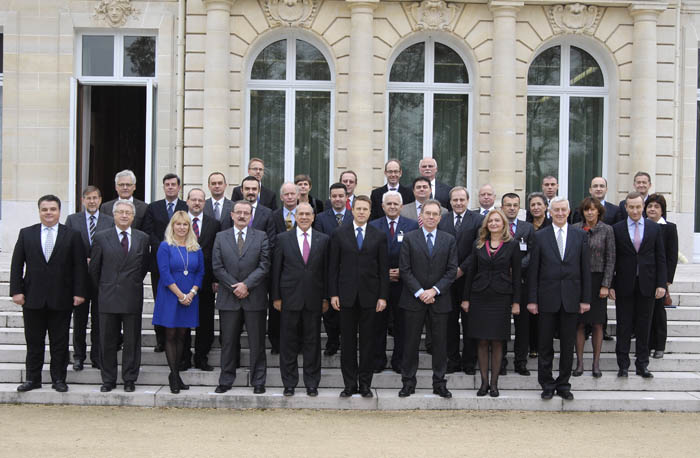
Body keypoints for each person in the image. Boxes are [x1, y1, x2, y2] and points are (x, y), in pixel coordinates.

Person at [11, 195, 88, 393]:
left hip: (61, 298)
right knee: (34, 342)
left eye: (52, 209)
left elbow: (79, 267)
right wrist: (16, 291)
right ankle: (33, 379)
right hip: (32, 298)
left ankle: (58, 379)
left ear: (59, 211)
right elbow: (17, 264)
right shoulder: (26, 234)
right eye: (45, 209)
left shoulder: (72, 235)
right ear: (39, 211)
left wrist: (79, 292)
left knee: (59, 343)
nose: (48, 213)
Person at [528, 196, 591, 401]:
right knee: (545, 345)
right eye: (556, 210)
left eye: (564, 210)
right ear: (550, 212)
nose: (560, 213)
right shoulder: (540, 236)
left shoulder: (580, 236)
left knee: (567, 345)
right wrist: (532, 299)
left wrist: (585, 299)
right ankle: (546, 384)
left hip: (572, 298)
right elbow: (533, 271)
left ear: (569, 211)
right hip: (547, 299)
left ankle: (564, 384)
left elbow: (585, 270)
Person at [329, 195, 389, 398]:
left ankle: (365, 384)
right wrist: (334, 293)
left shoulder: (379, 235)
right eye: (358, 208)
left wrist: (383, 296)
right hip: (345, 297)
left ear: (370, 212)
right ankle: (349, 384)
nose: (362, 212)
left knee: (367, 343)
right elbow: (333, 268)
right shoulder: (339, 234)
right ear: (352, 210)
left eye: (365, 209)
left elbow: (383, 269)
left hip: (370, 298)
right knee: (347, 343)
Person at [398, 199, 457, 398]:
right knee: (410, 343)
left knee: (440, 345)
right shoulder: (409, 238)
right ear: (421, 216)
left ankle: (439, 383)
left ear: (440, 217)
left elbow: (451, 271)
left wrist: (434, 290)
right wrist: (420, 292)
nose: (431, 217)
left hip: (439, 300)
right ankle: (408, 382)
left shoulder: (448, 239)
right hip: (413, 299)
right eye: (427, 213)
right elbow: (404, 270)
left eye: (435, 214)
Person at [89, 200, 149, 392]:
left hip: (132, 295)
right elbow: (94, 269)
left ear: (133, 216)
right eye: (120, 212)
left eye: (128, 213)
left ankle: (130, 378)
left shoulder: (142, 238)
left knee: (132, 340)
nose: (124, 215)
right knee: (107, 340)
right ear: (113, 215)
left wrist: (132, 282)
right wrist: (105, 286)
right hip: (108, 295)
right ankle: (108, 379)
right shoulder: (101, 237)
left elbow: (144, 266)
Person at [271, 203, 330, 396]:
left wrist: (325, 298)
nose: (304, 217)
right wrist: (276, 297)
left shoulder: (323, 240)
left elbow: (326, 271)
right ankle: (289, 383)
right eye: (300, 214)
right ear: (295, 217)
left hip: (314, 299)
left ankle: (312, 383)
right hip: (289, 298)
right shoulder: (282, 239)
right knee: (288, 343)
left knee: (312, 343)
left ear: (314, 217)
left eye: (308, 214)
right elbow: (276, 270)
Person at [213, 200, 271, 394]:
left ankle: (258, 381)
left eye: (246, 213)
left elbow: (264, 265)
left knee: (257, 342)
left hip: (254, 297)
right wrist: (234, 286)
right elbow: (217, 266)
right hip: (229, 298)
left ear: (251, 216)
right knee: (228, 342)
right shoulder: (221, 237)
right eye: (238, 212)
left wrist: (246, 285)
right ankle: (226, 379)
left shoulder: (261, 236)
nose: (242, 216)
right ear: (232, 215)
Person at [462, 209, 521, 397]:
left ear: (503, 223)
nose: (494, 223)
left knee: (497, 341)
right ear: (486, 224)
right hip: (479, 297)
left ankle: (494, 384)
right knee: (481, 340)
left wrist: (516, 302)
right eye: (491, 221)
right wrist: (466, 298)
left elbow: (517, 275)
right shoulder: (478, 244)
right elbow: (470, 272)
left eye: (497, 220)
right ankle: (483, 383)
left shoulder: (512, 245)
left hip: (501, 298)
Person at [610, 192, 667, 378]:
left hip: (648, 284)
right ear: (626, 207)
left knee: (644, 325)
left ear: (643, 207)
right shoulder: (617, 229)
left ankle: (642, 364)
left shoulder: (653, 228)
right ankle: (623, 365)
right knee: (623, 326)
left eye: (638, 207)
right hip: (624, 284)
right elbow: (612, 259)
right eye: (631, 207)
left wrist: (661, 284)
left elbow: (660, 258)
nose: (635, 210)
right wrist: (610, 284)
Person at [152, 211, 204, 393]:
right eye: (178, 224)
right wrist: (180, 295)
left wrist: (191, 293)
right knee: (171, 335)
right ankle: (174, 375)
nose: (181, 228)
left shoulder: (196, 248)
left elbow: (200, 273)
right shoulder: (165, 246)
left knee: (183, 334)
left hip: (190, 296)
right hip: (170, 296)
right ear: (172, 226)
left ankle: (176, 373)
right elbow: (164, 273)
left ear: (189, 227)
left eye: (185, 224)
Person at [369, 191, 419, 373]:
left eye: (395, 204)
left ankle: (399, 362)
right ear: (382, 207)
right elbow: (368, 256)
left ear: (401, 206)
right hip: (379, 286)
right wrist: (383, 273)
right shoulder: (373, 226)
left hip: (403, 285)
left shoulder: (412, 226)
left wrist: (404, 272)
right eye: (388, 204)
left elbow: (416, 254)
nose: (392, 207)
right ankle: (377, 361)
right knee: (378, 325)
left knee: (402, 326)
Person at [65, 186, 114, 370]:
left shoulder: (109, 221)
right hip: (80, 279)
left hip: (102, 278)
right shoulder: (72, 220)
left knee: (99, 320)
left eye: (95, 198)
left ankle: (97, 357)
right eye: (88, 198)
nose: (92, 201)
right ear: (82, 200)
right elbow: (67, 246)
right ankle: (78, 356)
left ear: (100, 200)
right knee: (79, 320)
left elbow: (111, 246)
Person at [437, 187, 481, 375]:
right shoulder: (443, 219)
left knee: (470, 321)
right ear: (450, 202)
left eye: (462, 199)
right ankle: (452, 360)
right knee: (450, 323)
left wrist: (462, 269)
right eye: (455, 200)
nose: (458, 203)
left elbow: (478, 248)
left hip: (470, 279)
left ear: (468, 200)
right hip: (447, 281)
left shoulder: (478, 220)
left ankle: (469, 362)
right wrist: (449, 272)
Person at [143, 173, 188, 352]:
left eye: (173, 184)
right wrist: (164, 247)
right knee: (161, 301)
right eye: (167, 184)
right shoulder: (153, 207)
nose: (170, 187)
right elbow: (148, 231)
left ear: (179, 188)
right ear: (163, 187)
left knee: (180, 300)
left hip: (182, 263)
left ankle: (181, 340)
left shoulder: (185, 207)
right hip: (159, 263)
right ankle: (161, 339)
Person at [571, 197, 615, 378]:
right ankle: (580, 363)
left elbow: (611, 258)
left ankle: (596, 363)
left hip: (598, 281)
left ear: (599, 211)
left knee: (597, 323)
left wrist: (606, 284)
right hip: (578, 280)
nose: (590, 212)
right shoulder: (575, 229)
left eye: (593, 209)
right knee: (580, 323)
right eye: (586, 209)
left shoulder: (607, 230)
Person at [182, 189, 221, 371]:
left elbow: (216, 252)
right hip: (182, 280)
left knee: (205, 322)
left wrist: (215, 278)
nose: (197, 203)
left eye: (200, 200)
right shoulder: (179, 222)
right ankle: (183, 357)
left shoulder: (214, 224)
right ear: (187, 201)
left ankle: (201, 357)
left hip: (205, 281)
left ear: (205, 203)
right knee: (183, 321)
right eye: (193, 200)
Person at [313, 182, 353, 356]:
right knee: (329, 311)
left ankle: (347, 342)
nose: (337, 199)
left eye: (340, 196)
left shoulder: (355, 216)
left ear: (346, 197)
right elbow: (320, 243)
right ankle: (332, 341)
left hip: (350, 271)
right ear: (330, 198)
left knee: (347, 310)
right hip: (328, 268)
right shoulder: (321, 218)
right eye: (334, 196)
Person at [500, 192, 536, 376]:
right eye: (508, 205)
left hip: (522, 282)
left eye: (515, 205)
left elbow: (531, 252)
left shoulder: (527, 228)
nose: (512, 208)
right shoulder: (496, 226)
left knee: (523, 326)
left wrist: (516, 266)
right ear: (502, 207)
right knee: (502, 325)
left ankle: (521, 362)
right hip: (502, 283)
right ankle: (502, 361)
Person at [645, 194, 678, 359]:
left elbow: (672, 256)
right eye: (650, 206)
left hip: (660, 277)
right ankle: (646, 345)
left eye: (656, 207)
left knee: (658, 312)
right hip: (644, 276)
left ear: (662, 210)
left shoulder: (669, 228)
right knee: (645, 312)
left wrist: (667, 280)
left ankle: (659, 346)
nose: (652, 209)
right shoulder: (640, 225)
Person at [525, 192, 550, 358]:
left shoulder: (552, 225)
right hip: (527, 276)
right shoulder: (525, 226)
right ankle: (532, 346)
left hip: (547, 276)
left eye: (539, 204)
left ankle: (543, 346)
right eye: (532, 205)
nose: (536, 207)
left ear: (546, 207)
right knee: (530, 314)